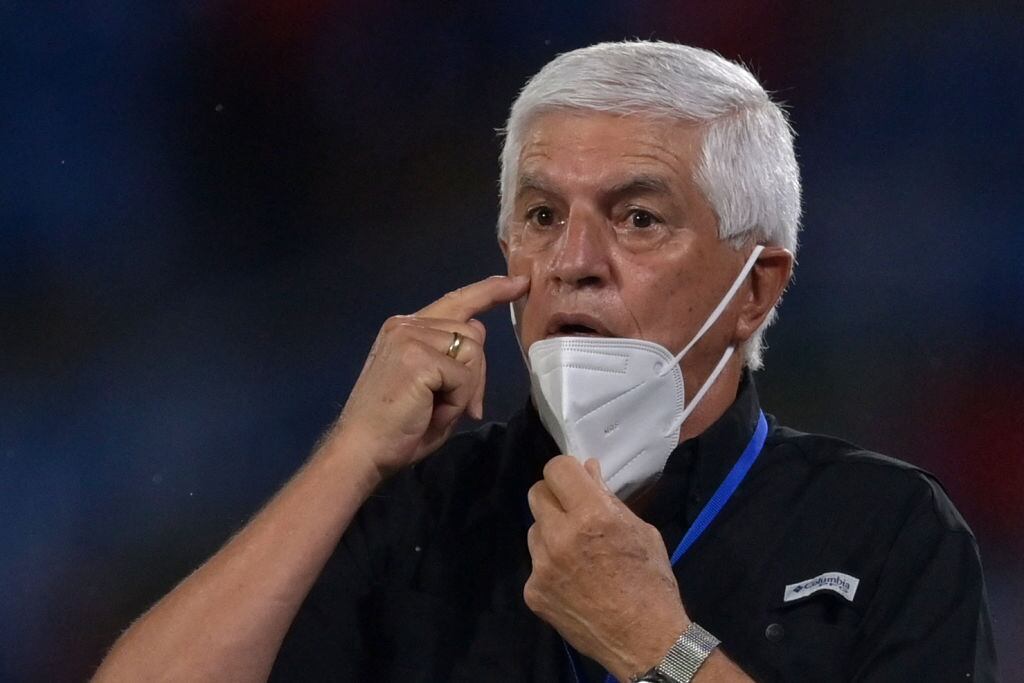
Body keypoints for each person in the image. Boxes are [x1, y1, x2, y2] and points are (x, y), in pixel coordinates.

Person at [94, 41, 997, 682]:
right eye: (541, 216)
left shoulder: (887, 530)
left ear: (754, 290)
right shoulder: (422, 515)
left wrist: (660, 649)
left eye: (637, 218)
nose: (572, 260)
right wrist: (349, 457)